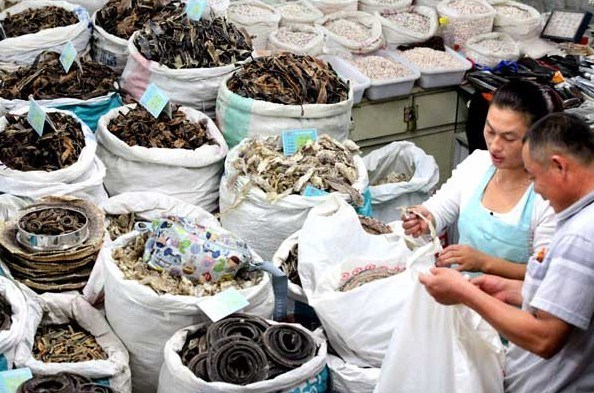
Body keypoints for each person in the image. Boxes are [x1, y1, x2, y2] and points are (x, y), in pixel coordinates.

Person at [419, 113, 594, 392]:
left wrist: (466, 293)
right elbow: (575, 299)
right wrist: (513, 290)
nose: (537, 190)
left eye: (535, 177)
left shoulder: (580, 236)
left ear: (560, 166)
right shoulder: (581, 219)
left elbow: (544, 338)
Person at [403, 80, 561, 279]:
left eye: (509, 138)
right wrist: (425, 218)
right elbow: (439, 209)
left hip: (508, 307)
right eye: (490, 130)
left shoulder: (548, 198)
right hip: (459, 294)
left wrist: (485, 263)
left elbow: (546, 275)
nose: (494, 146)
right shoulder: (477, 165)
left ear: (537, 138)